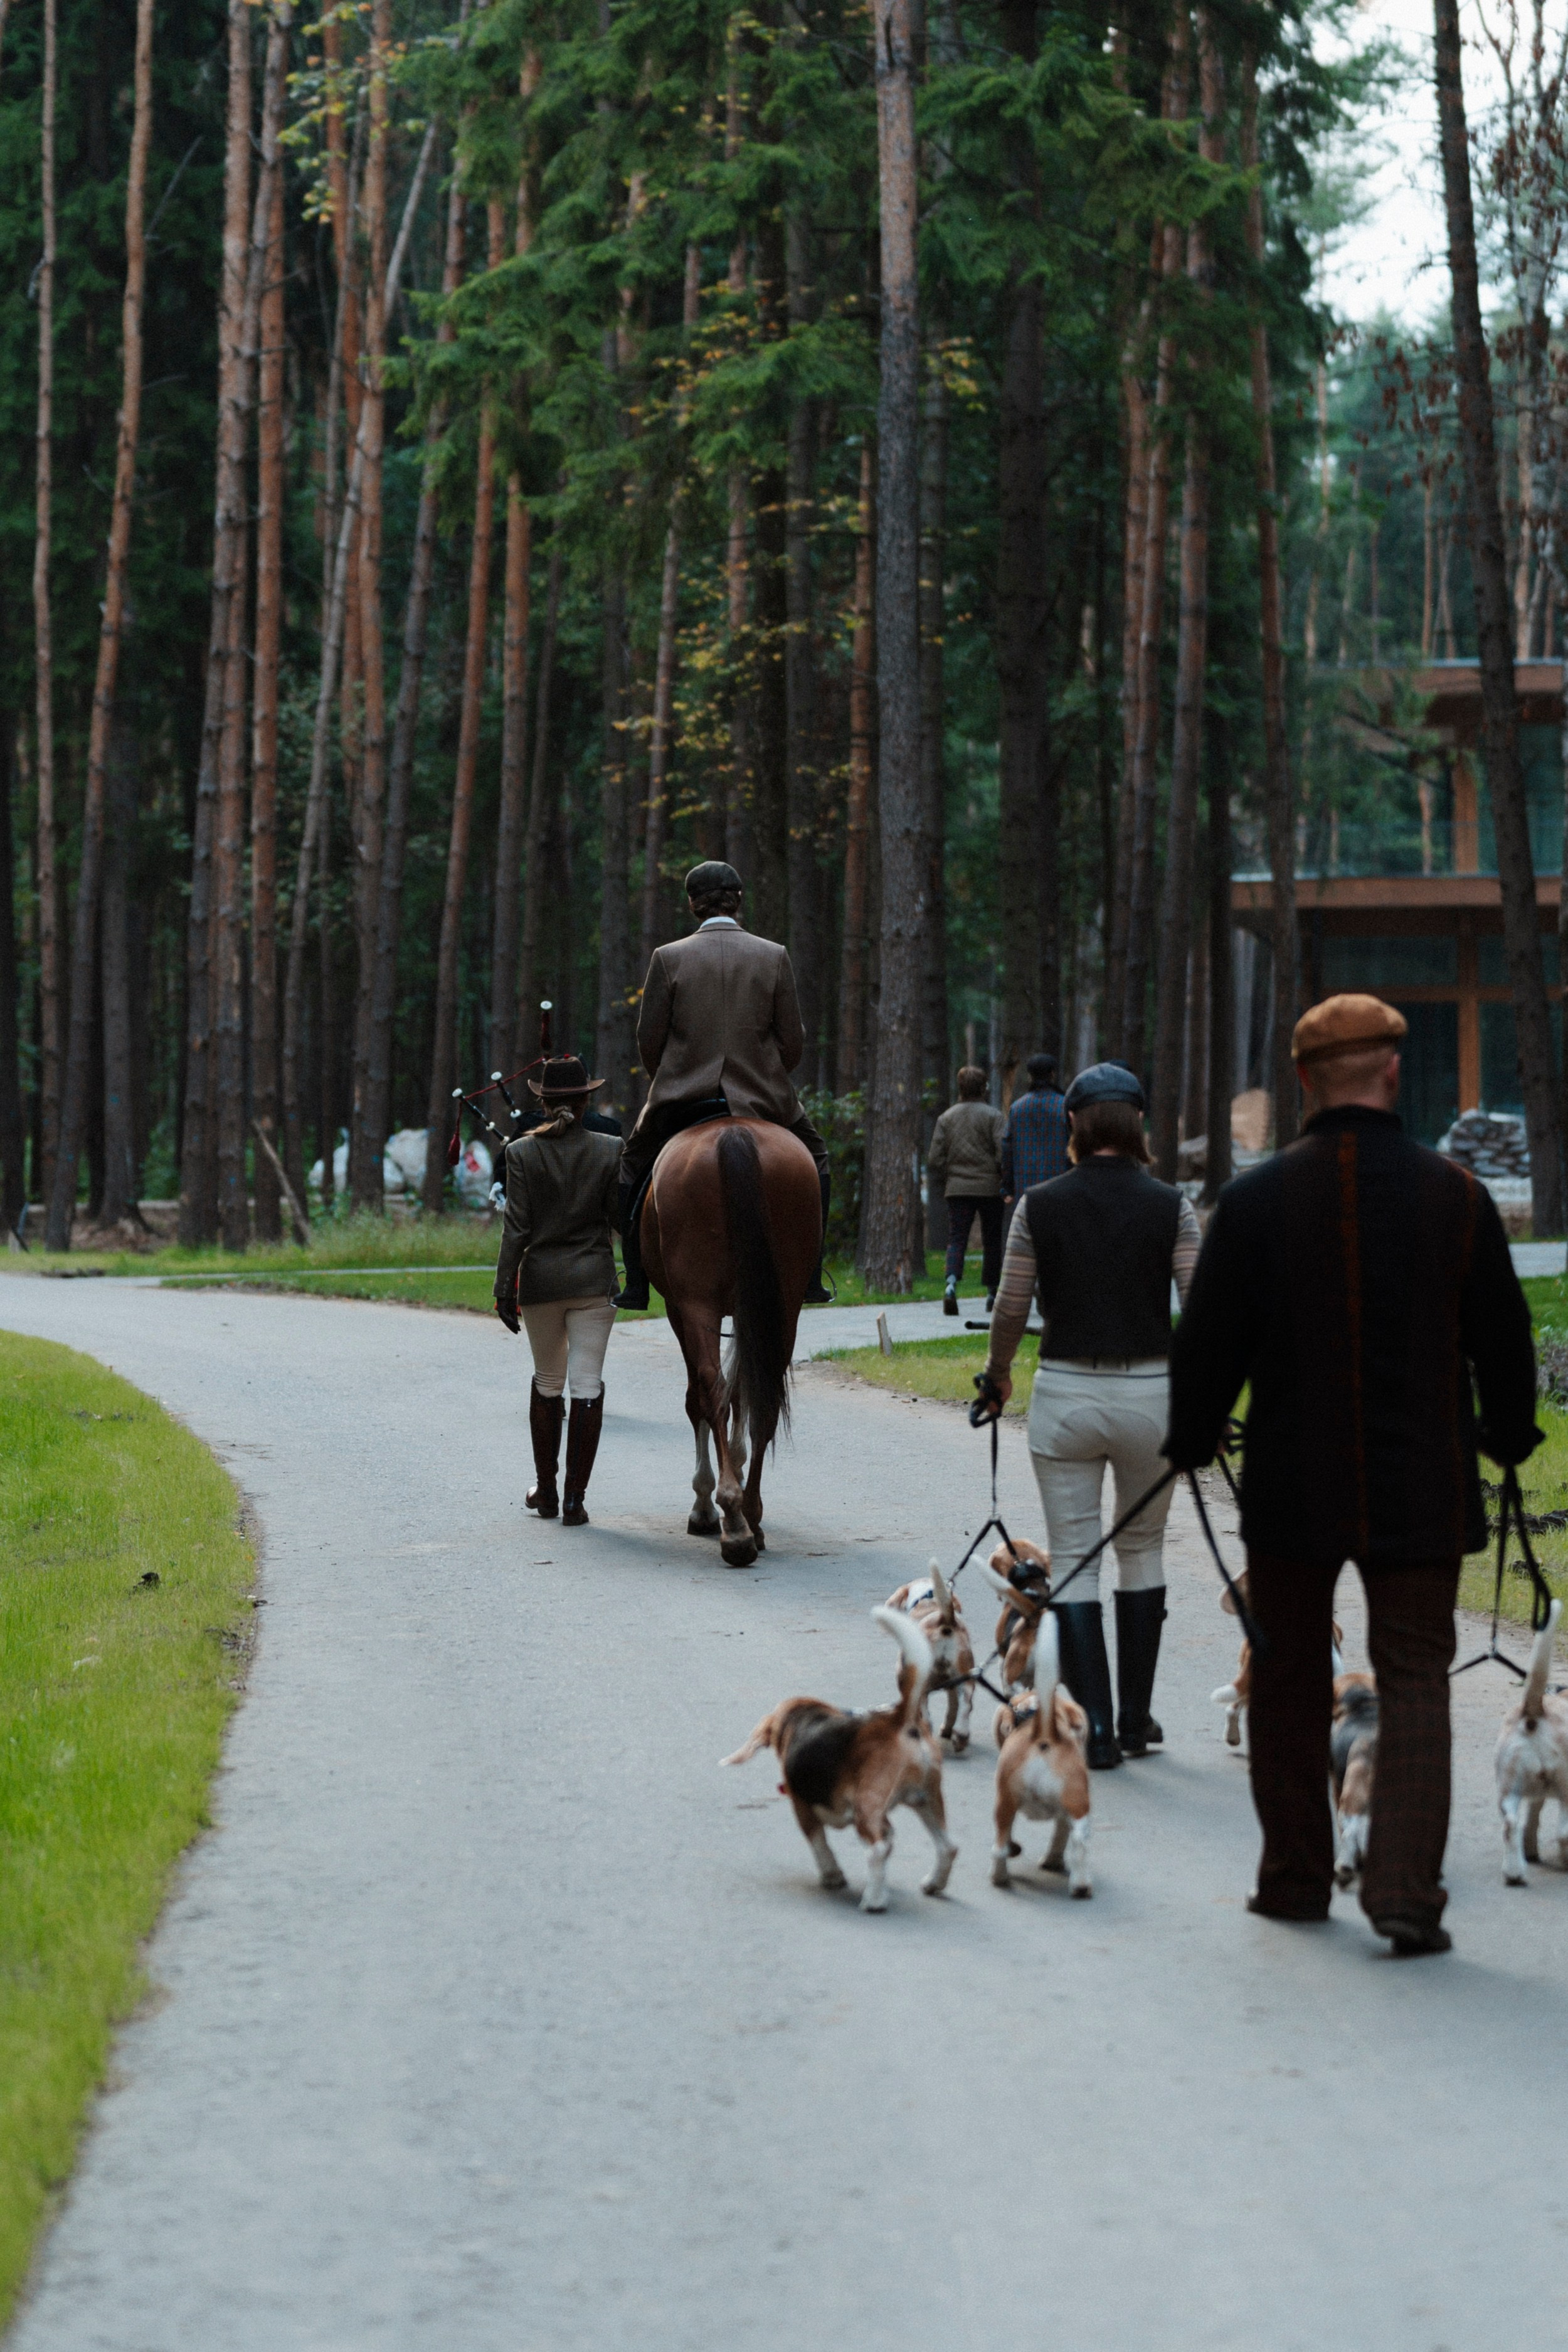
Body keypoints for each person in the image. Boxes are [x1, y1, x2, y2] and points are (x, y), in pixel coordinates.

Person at [1165, 993, 1539, 1957]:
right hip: (1424, 1481)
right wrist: (1507, 1433)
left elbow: (1208, 1345)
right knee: (1416, 1678)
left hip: (1294, 1481)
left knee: (1288, 1677)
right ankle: (1406, 1892)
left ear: (1299, 1081)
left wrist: (1194, 1434)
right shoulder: (1457, 1196)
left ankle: (1294, 1880)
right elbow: (1503, 1340)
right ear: (1393, 1071)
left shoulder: (1253, 1201)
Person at [978, 1061, 1201, 1768]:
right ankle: (1137, 1720)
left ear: (1072, 1123)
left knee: (1073, 1558)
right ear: (1138, 1124)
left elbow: (1012, 1304)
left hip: (1067, 1394)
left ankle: (1095, 1728)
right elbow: (1199, 1304)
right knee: (1141, 1552)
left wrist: (999, 1375)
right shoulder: (1173, 1205)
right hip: (1153, 1398)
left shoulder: (1038, 1206)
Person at [617, 861, 831, 1310]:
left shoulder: (667, 957)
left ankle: (635, 1281)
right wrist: (769, 1073)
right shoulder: (773, 955)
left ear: (693, 904)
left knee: (632, 1166)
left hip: (683, 1096)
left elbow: (648, 1038)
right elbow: (794, 1039)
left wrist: (672, 1078)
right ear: (738, 900)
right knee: (817, 1160)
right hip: (763, 1094)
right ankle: (811, 1273)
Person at [494, 1056, 623, 1528]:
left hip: (543, 1284)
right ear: (587, 1100)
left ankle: (545, 1491)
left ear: (542, 1102)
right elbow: (618, 1217)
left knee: (548, 1382)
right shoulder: (612, 1150)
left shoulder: (521, 1153)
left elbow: (516, 1230)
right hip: (593, 1283)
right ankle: (575, 1500)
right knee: (587, 1385)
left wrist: (504, 1287)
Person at [928, 1066, 1007, 1315]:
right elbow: (1003, 1153)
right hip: (989, 1189)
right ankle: (992, 1293)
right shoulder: (994, 1117)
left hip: (958, 1189)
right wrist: (998, 1173)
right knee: (992, 1241)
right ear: (984, 1087)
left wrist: (949, 1176)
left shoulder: (946, 1118)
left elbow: (934, 1158)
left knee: (957, 1238)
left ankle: (951, 1285)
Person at [1001, 1051, 1069, 1201]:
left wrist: (1007, 1187)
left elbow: (1007, 1149)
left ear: (1030, 1076)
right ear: (1053, 1074)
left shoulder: (1017, 1108)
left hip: (1025, 1188)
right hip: (1060, 1186)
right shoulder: (1065, 1107)